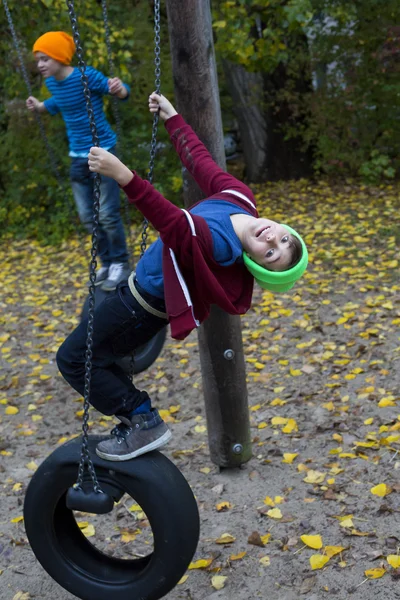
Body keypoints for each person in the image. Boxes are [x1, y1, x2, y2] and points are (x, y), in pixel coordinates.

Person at [56, 92, 308, 462]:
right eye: (283, 239)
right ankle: (137, 418)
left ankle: (142, 419)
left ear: (255, 262)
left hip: (139, 309)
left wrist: (122, 175)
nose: (272, 239)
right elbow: (201, 163)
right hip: (133, 297)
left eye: (271, 255)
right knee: (97, 358)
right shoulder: (242, 199)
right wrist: (174, 119)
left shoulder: (218, 245)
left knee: (74, 359)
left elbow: (171, 221)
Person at [26, 31, 131, 291]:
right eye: (38, 60)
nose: (39, 65)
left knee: (107, 213)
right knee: (87, 216)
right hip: (77, 157)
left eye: (44, 59)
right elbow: (58, 104)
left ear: (61, 57)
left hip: (103, 151)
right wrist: (39, 107)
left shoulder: (86, 76)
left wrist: (119, 89)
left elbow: (118, 90)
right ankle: (106, 262)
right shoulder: (52, 84)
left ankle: (120, 262)